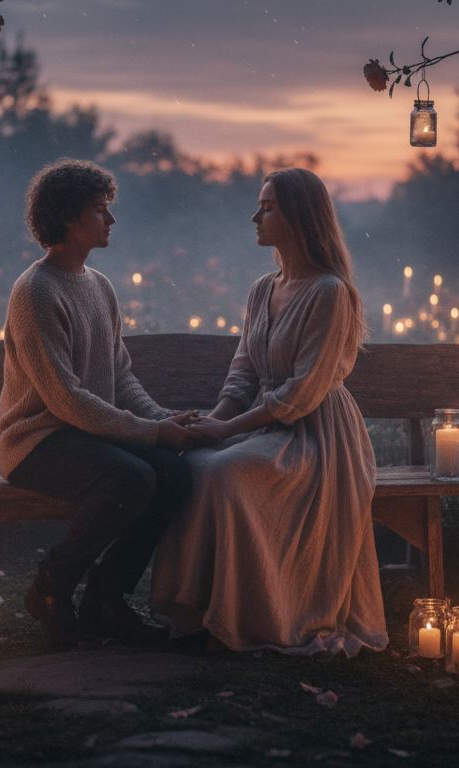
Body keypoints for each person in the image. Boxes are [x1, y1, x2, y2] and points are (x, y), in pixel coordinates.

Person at [149, 167, 388, 656]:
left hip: (317, 436)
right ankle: (197, 613)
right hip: (262, 424)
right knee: (194, 464)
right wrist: (211, 426)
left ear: (300, 216)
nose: (255, 216)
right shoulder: (263, 289)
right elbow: (242, 376)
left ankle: (252, 616)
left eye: (268, 206)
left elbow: (302, 392)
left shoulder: (329, 292)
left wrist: (230, 430)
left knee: (228, 474)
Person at [0, 158, 201, 650]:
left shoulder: (99, 286)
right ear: (67, 217)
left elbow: (120, 377)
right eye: (100, 210)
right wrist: (151, 433)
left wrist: (162, 421)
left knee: (174, 472)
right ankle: (51, 587)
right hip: (36, 443)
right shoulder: (35, 291)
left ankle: (106, 598)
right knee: (131, 477)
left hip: (83, 433)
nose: (111, 220)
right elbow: (64, 399)